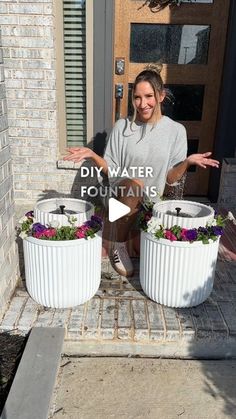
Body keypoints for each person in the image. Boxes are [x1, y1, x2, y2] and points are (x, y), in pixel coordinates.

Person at [64, 64, 219, 277]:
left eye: (149, 96)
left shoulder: (176, 131)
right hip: (121, 195)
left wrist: (187, 162)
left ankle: (138, 228)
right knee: (134, 185)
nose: (142, 104)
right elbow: (112, 171)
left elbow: (171, 179)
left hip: (151, 201)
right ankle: (118, 245)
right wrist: (93, 156)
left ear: (161, 96)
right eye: (137, 97)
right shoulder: (122, 127)